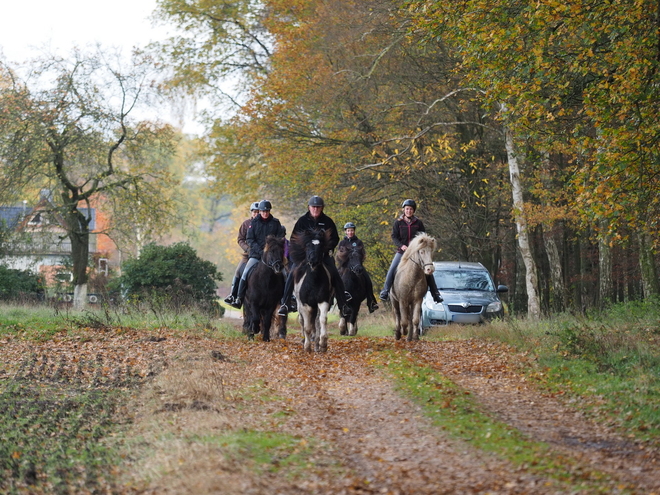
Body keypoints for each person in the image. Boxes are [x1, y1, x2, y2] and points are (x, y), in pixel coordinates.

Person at [277, 195, 352, 317]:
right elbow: (294, 238)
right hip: (305, 256)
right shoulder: (302, 221)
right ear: (309, 207)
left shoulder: (328, 221)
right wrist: (303, 252)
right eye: (313, 207)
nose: (315, 209)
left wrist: (326, 249)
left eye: (318, 207)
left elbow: (335, 238)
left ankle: (343, 304)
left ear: (322, 208)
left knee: (334, 273)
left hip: (323, 255)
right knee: (292, 273)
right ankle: (285, 303)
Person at [379, 199, 443, 303]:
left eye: (411, 209)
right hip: (402, 252)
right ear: (404, 210)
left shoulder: (418, 223)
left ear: (413, 211)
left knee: (428, 269)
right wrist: (402, 246)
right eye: (407, 209)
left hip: (416, 253)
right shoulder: (398, 223)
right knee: (392, 268)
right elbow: (394, 237)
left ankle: (435, 294)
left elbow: (423, 237)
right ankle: (385, 291)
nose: (409, 211)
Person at [230, 200, 284, 309]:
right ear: (260, 211)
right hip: (255, 254)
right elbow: (250, 239)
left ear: (269, 211)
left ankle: (286, 301)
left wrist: (273, 249)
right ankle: (238, 298)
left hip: (272, 256)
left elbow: (280, 237)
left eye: (267, 211)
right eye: (263, 211)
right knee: (244, 273)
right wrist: (260, 251)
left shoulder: (276, 222)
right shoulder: (253, 223)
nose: (265, 213)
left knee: (285, 273)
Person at [224, 201, 260, 305]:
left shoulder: (265, 224)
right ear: (251, 212)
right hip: (248, 254)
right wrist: (248, 249)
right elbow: (240, 239)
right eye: (254, 212)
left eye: (258, 212)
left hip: (263, 254)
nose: (256, 213)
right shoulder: (246, 224)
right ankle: (233, 295)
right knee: (238, 271)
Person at [338, 222, 379, 313]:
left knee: (367, 279)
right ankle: (331, 300)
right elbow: (339, 255)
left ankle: (371, 301)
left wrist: (358, 263)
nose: (350, 232)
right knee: (334, 279)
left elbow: (362, 254)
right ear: (345, 232)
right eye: (348, 231)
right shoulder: (342, 242)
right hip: (345, 266)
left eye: (352, 230)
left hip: (357, 266)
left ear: (354, 231)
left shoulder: (358, 242)